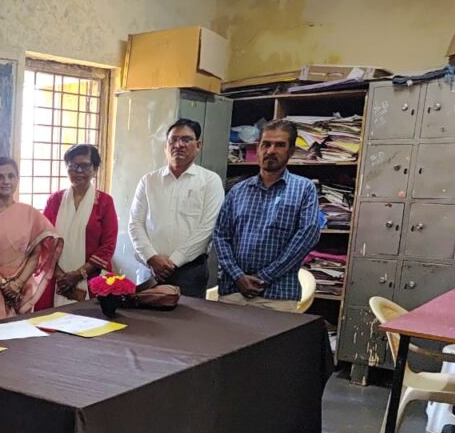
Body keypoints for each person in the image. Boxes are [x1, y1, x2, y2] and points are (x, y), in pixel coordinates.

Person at [212, 119, 320, 311]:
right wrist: (238, 276)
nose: (271, 150)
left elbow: (307, 236)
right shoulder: (238, 191)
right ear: (258, 148)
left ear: (291, 151)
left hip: (277, 296)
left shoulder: (304, 189)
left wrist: (265, 277)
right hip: (233, 292)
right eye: (266, 144)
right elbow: (220, 235)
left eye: (280, 145)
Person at [128, 118, 225, 297]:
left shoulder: (210, 181)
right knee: (144, 314)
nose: (179, 145)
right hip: (149, 269)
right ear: (166, 146)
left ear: (198, 145)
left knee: (187, 315)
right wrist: (151, 257)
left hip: (189, 273)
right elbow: (135, 224)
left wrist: (173, 262)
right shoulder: (148, 181)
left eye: (186, 139)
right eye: (173, 140)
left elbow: (207, 228)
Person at [0, 157, 61, 325]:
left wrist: (17, 284)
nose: (6, 181)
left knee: (18, 333)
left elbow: (34, 255)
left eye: (11, 176)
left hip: (19, 288)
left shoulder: (27, 214)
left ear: (18, 179)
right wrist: (4, 285)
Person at [38, 144, 118, 307]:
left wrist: (78, 274)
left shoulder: (104, 202)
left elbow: (108, 245)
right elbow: (44, 239)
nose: (79, 171)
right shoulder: (54, 201)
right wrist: (61, 275)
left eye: (85, 166)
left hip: (92, 278)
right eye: (73, 166)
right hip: (56, 280)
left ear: (95, 169)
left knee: (89, 320)